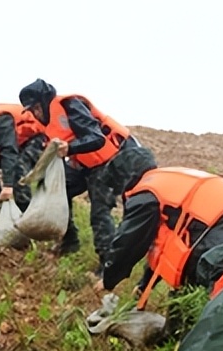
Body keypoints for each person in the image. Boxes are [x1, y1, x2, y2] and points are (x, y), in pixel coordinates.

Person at [101, 167, 223, 306]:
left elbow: (130, 242)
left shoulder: (144, 194)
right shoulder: (169, 182)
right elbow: (163, 248)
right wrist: (143, 286)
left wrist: (107, 280)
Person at [20, 79, 156, 271]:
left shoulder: (70, 105)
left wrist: (71, 148)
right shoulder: (46, 122)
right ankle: (69, 241)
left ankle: (107, 267)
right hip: (87, 162)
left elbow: (96, 138)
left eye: (35, 108)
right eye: (31, 111)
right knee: (57, 188)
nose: (35, 114)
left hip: (115, 158)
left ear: (44, 101)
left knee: (99, 212)